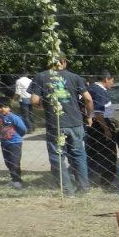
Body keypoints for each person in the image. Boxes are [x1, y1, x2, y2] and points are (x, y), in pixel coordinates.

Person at [28, 54, 93, 196]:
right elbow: (88, 99)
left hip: (55, 123)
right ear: (63, 62)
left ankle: (67, 190)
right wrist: (89, 116)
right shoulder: (75, 77)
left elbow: (34, 100)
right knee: (78, 155)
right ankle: (84, 187)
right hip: (75, 122)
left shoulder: (41, 77)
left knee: (58, 157)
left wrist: (44, 106)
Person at [86, 71, 118, 188]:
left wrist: (112, 119)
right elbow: (99, 113)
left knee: (95, 153)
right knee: (108, 153)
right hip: (100, 125)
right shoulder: (100, 92)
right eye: (112, 81)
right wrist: (106, 129)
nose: (112, 84)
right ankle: (107, 181)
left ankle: (94, 178)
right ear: (106, 79)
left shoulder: (92, 88)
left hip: (96, 124)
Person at [0, 97, 27, 189]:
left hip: (15, 143)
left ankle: (17, 181)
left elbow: (23, 129)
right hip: (4, 143)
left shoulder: (14, 117)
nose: (1, 109)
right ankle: (14, 179)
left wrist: (18, 136)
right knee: (8, 162)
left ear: (9, 107)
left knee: (14, 162)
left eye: (3, 107)